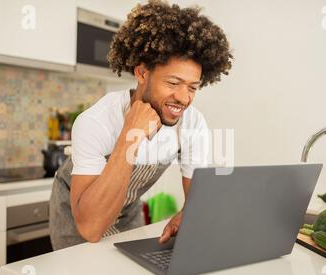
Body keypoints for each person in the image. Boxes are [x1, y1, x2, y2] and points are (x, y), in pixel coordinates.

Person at [49, 0, 233, 250]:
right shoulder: (97, 122)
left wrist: (189, 214)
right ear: (142, 73)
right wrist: (129, 135)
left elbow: (198, 199)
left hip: (127, 211)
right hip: (78, 217)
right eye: (173, 83)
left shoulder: (192, 123)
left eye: (192, 87)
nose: (183, 97)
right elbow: (90, 228)